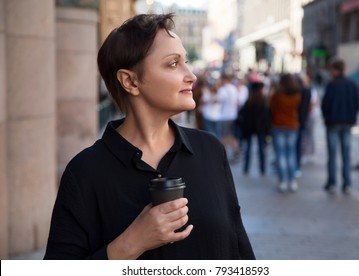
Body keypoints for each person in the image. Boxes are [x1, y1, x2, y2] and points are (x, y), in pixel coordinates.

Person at [44, 13, 254, 260]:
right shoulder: (85, 172)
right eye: (173, 64)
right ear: (130, 81)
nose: (192, 75)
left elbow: (239, 247)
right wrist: (131, 243)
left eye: (185, 61)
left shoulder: (209, 149)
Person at [321, 57, 359, 195]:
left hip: (333, 122)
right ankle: (347, 184)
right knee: (346, 155)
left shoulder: (331, 85)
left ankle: (332, 183)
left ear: (335, 70)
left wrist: (326, 117)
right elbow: (357, 103)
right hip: (347, 123)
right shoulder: (352, 84)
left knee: (332, 155)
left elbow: (325, 104)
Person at [269, 74, 301, 192]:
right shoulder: (296, 96)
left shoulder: (278, 95)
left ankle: (282, 181)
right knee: (291, 154)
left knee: (280, 155)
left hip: (278, 126)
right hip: (292, 126)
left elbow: (270, 105)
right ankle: (292, 181)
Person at [237, 81, 271, 176]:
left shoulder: (249, 101)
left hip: (250, 128)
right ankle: (263, 169)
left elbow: (242, 115)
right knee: (261, 149)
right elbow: (267, 117)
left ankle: (246, 169)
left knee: (248, 149)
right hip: (260, 129)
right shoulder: (264, 101)